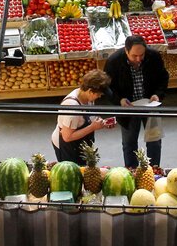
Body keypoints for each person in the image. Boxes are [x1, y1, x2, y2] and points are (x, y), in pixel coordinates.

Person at [104, 36, 168, 169]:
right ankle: (131, 171)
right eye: (134, 55)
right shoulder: (113, 62)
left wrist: (158, 94)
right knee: (129, 142)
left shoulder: (154, 57)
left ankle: (153, 170)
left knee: (154, 141)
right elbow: (107, 87)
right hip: (128, 109)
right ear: (126, 51)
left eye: (142, 55)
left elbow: (163, 77)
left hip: (150, 106)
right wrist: (119, 100)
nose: (138, 59)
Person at [50, 70, 113, 165]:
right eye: (98, 94)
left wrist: (102, 123)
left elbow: (88, 117)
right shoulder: (72, 107)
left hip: (82, 144)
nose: (100, 97)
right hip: (68, 148)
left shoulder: (87, 98)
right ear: (90, 91)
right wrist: (92, 127)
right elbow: (67, 137)